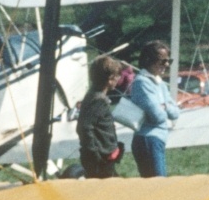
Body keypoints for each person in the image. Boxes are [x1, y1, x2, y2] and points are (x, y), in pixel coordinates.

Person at [128, 41, 181, 178]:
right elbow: (158, 116)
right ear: (148, 60)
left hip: (157, 140)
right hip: (147, 140)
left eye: (169, 61)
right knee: (158, 185)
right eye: (162, 61)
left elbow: (175, 113)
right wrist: (165, 107)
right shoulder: (141, 82)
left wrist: (163, 106)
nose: (167, 65)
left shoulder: (160, 83)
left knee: (157, 184)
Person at [76, 56, 127, 179]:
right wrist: (94, 154)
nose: (119, 79)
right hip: (100, 159)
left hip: (101, 156)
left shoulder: (92, 95)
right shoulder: (99, 100)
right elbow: (84, 127)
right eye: (117, 76)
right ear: (110, 79)